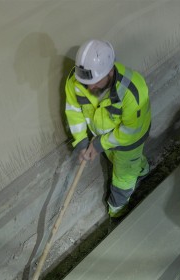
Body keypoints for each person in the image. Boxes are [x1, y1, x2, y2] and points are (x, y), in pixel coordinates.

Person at [64, 39, 151, 218]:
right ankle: (142, 169)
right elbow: (73, 111)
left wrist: (98, 145)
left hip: (129, 141)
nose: (89, 87)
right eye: (86, 82)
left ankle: (117, 211)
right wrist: (81, 141)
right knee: (117, 159)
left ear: (110, 72)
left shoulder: (132, 90)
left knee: (123, 176)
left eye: (95, 82)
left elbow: (130, 132)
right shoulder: (77, 81)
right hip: (102, 136)